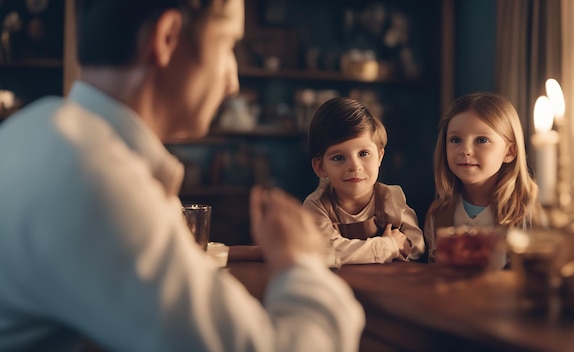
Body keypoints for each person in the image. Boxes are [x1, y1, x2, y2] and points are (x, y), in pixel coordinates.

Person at [0, 1, 364, 351]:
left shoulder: (28, 132)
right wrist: (300, 261)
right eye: (227, 45)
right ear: (168, 37)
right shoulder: (94, 180)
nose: (232, 82)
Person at [423, 92, 546, 265]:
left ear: (509, 152)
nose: (465, 150)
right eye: (455, 139)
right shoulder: (439, 214)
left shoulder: (526, 212)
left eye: (481, 140)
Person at [303, 97, 425, 264]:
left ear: (380, 156)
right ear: (320, 167)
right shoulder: (317, 206)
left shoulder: (391, 198)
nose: (354, 166)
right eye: (339, 157)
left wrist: (405, 244)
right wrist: (388, 245)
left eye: (363, 154)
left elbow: (416, 244)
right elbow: (328, 251)